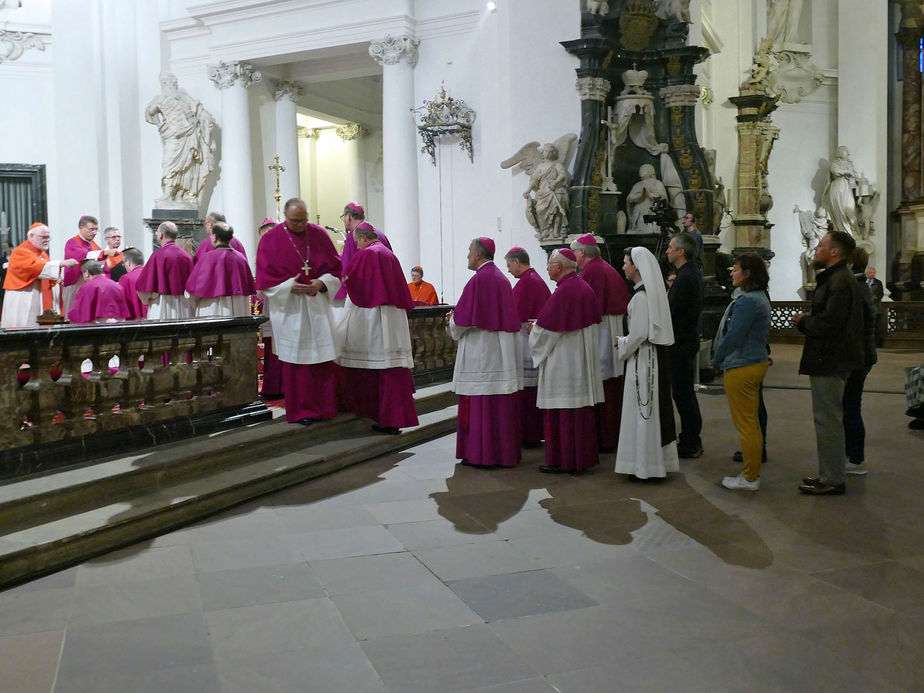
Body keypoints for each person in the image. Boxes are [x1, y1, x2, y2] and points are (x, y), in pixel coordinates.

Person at [255, 198, 342, 425]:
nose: (301, 225)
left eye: (304, 219)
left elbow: (335, 270)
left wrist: (320, 284)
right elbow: (264, 280)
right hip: (289, 309)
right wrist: (288, 286)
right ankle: (302, 411)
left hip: (317, 305)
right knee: (297, 363)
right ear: (286, 218)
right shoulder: (271, 240)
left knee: (322, 359)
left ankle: (325, 408)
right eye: (295, 221)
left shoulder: (319, 235)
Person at [790, 230, 864, 495]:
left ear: (834, 252)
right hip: (828, 357)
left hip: (830, 359)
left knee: (828, 420)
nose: (816, 249)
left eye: (821, 245)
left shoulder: (840, 281)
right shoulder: (836, 278)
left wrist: (803, 322)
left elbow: (831, 323)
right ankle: (829, 473)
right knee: (828, 418)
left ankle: (833, 479)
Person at [335, 223, 418, 434]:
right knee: (391, 368)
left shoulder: (368, 254)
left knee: (373, 365)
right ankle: (392, 418)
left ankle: (381, 417)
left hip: (376, 318)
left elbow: (357, 287)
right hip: (394, 318)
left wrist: (344, 277)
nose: (357, 247)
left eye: (357, 243)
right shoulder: (389, 254)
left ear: (363, 238)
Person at [447, 237, 522, 468]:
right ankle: (501, 453)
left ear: (479, 254)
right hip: (500, 351)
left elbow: (462, 321)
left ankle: (481, 454)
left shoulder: (479, 280)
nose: (467, 255)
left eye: (469, 251)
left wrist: (451, 320)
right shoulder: (501, 278)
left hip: (480, 353)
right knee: (497, 405)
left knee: (480, 403)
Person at [529, 248, 604, 473]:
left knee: (563, 412)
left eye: (550, 265)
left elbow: (546, 332)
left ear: (559, 267)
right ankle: (580, 458)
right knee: (578, 413)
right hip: (579, 363)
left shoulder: (564, 292)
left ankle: (564, 460)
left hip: (563, 364)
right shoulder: (582, 286)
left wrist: (534, 329)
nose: (547, 269)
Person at [614, 246, 679, 479]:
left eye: (626, 262)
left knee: (643, 409)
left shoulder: (641, 298)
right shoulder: (645, 295)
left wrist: (621, 343)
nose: (624, 266)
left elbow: (639, 333)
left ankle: (644, 466)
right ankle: (648, 462)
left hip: (643, 361)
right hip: (648, 358)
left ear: (637, 267)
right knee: (647, 411)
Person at [711, 253, 772, 491]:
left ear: (747, 274)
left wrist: (717, 358)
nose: (731, 272)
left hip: (743, 364)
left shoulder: (748, 301)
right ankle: (750, 473)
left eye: (735, 269)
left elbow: (734, 335)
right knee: (750, 422)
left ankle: (749, 477)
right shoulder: (756, 297)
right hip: (751, 361)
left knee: (746, 424)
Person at [571, 233, 631, 451]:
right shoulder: (603, 267)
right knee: (610, 380)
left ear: (582, 252)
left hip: (602, 332)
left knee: (602, 380)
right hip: (609, 328)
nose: (574, 257)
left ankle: (604, 438)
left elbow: (587, 306)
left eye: (575, 252)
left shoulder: (593, 270)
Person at [145, 71, 216, 209]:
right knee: (169, 162)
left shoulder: (184, 98)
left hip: (190, 133)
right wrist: (157, 115)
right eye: (171, 81)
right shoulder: (159, 99)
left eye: (174, 81)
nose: (174, 83)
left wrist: (205, 119)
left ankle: (180, 195)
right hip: (172, 134)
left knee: (189, 165)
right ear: (164, 84)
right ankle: (167, 194)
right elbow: (150, 113)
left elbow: (199, 112)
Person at [504, 246, 551, 447]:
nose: (508, 270)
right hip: (529, 340)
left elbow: (515, 314)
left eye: (509, 265)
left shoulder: (528, 283)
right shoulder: (532, 280)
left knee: (528, 390)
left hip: (526, 342)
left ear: (517, 262)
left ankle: (529, 434)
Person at [666, 232, 704, 458]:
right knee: (683, 392)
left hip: (680, 343)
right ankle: (691, 438)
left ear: (681, 251)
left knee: (683, 393)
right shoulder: (689, 274)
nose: (668, 250)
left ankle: (690, 441)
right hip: (685, 340)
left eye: (671, 247)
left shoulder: (685, 277)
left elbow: (674, 313)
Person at [842, 247, 878, 475]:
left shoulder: (854, 288)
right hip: (862, 355)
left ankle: (856, 459)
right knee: (850, 406)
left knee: (850, 407)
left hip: (857, 357)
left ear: (851, 264)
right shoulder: (861, 286)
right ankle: (852, 455)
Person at [1, 223, 78, 328]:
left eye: (48, 237)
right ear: (31, 236)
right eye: (43, 237)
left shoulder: (41, 253)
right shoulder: (21, 251)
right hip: (23, 296)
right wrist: (60, 263)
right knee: (23, 325)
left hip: (36, 295)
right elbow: (33, 267)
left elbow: (46, 270)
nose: (47, 240)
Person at [185, 222, 255, 317]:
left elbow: (192, 290)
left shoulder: (207, 258)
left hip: (212, 309)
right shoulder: (241, 258)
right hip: (238, 310)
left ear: (214, 237)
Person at [334, 202, 392, 302]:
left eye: (343, 217)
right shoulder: (380, 234)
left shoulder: (354, 236)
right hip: (385, 291)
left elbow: (347, 269)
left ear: (348, 217)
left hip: (365, 295)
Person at [136, 221, 194, 319]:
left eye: (157, 233)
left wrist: (148, 299)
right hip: (184, 306)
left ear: (161, 235)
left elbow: (144, 288)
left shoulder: (157, 256)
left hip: (161, 306)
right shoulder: (186, 256)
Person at [255, 217, 283, 399]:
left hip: (277, 307)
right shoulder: (286, 250)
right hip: (284, 305)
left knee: (276, 349)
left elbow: (259, 291)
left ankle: (275, 387)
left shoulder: (268, 253)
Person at [62, 215, 101, 314]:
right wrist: (104, 253)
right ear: (81, 228)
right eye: (91, 229)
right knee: (73, 312)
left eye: (96, 230)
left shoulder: (94, 245)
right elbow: (83, 255)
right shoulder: (72, 242)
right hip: (75, 284)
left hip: (90, 283)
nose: (94, 233)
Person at [626, 164, 668, 233]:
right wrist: (639, 195)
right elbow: (629, 199)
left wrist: (650, 194)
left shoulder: (657, 183)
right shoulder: (637, 185)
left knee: (650, 228)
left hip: (652, 214)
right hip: (639, 214)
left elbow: (663, 199)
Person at [118, 247, 147, 319]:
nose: (123, 265)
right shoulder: (152, 274)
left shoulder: (126, 278)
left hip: (135, 321)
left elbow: (123, 304)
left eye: (123, 262)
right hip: (154, 318)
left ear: (128, 262)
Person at [866, 266, 885, 347]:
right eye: (871, 272)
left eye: (874, 273)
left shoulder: (878, 282)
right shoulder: (864, 282)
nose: (872, 274)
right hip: (865, 307)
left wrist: (873, 300)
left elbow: (880, 294)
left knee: (876, 325)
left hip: (875, 307)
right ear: (866, 273)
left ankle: (876, 343)